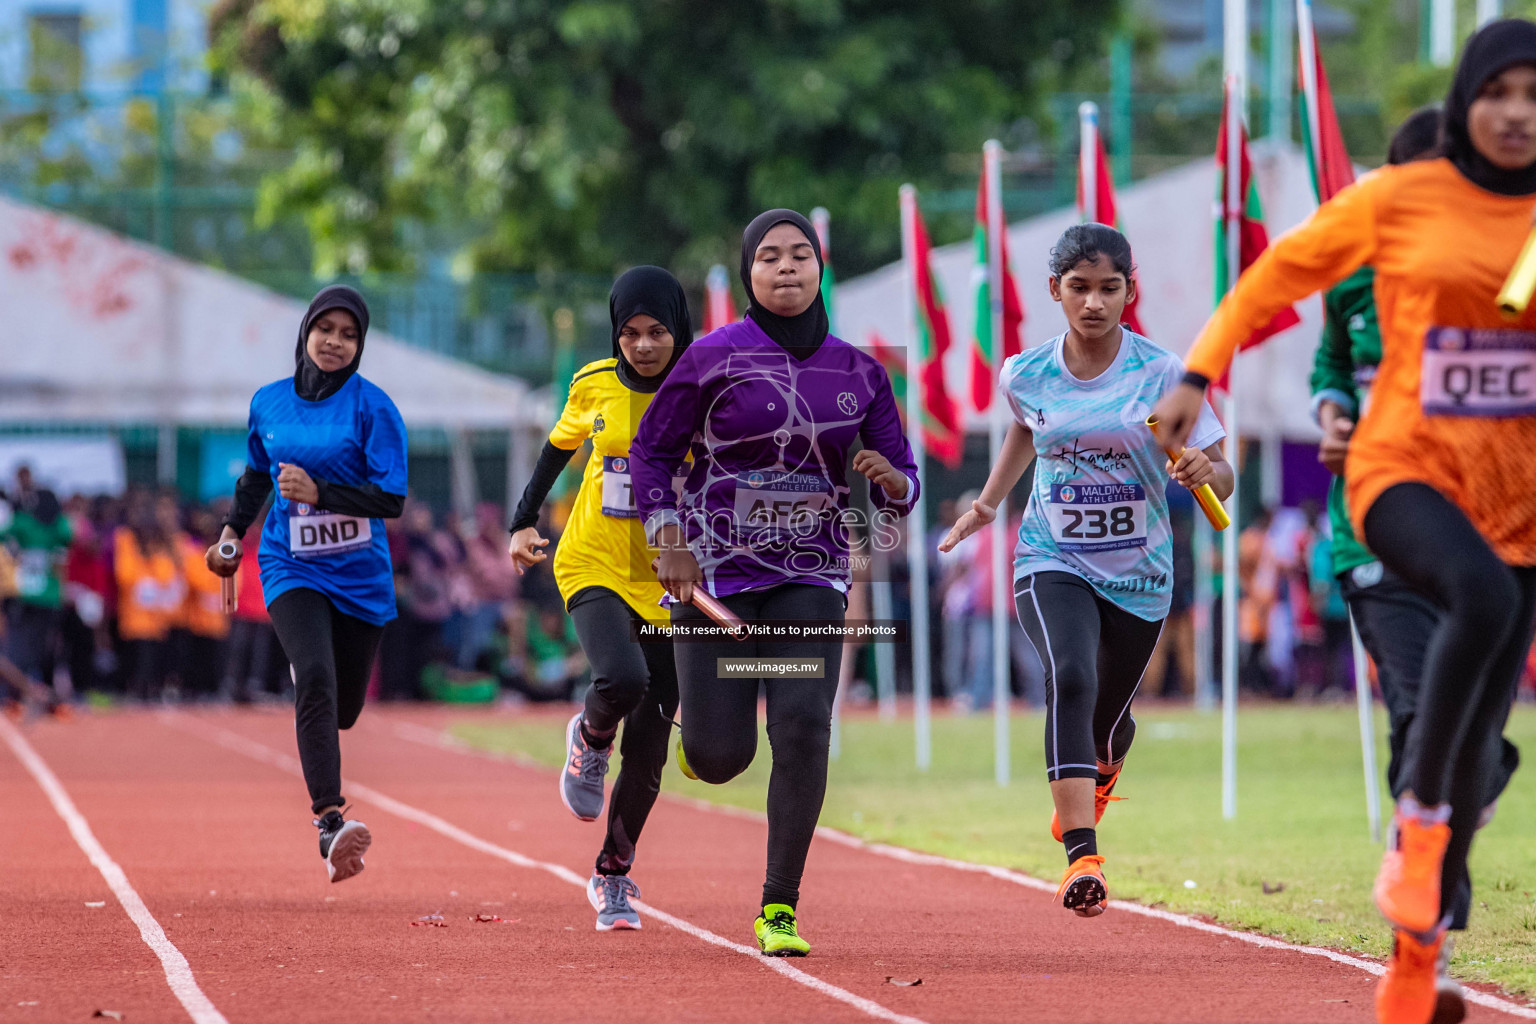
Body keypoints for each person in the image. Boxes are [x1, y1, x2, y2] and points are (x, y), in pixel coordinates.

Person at [1151, 22, 1536, 1023]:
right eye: (1500, 90)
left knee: (1473, 745)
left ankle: (1415, 964)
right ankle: (1415, 825)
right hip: (1400, 471)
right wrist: (1197, 372)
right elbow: (1279, 273)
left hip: (1521, 501)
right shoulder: (1406, 198)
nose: (1518, 112)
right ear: (1466, 100)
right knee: (1479, 606)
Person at [631, 209, 919, 956]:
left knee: (800, 726)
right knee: (721, 757)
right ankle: (698, 714)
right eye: (769, 257)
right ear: (750, 273)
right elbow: (650, 456)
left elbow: (905, 479)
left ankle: (779, 906)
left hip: (811, 572)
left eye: (799, 255)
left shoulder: (860, 372)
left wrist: (891, 482)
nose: (786, 268)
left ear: (820, 268)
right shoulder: (710, 357)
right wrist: (667, 538)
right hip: (715, 576)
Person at [943, 223, 1231, 918]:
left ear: (1130, 291)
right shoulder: (1027, 372)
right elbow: (1024, 424)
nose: (1094, 303)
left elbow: (1220, 462)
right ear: (1055, 292)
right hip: (1052, 556)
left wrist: (1205, 468)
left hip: (1140, 571)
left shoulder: (1163, 374)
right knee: (1069, 676)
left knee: (1109, 724)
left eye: (1109, 288)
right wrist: (987, 504)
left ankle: (1097, 765)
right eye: (1079, 288)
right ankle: (1083, 856)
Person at [1308, 105, 1519, 1021]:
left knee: (1461, 736)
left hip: (1488, 536)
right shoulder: (1355, 275)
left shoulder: (1505, 271)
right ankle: (1420, 952)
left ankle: (1423, 944)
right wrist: (1331, 414)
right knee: (1414, 714)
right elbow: (1328, 367)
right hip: (1380, 534)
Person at [507, 266, 693, 931]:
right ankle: (589, 734)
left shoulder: (706, 388)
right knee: (621, 678)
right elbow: (556, 452)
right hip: (593, 560)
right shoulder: (593, 383)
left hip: (671, 579)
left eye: (657, 332)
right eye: (631, 333)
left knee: (651, 749)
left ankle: (613, 873)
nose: (643, 346)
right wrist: (522, 521)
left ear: (678, 329)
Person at [207, 285, 408, 884]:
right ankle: (330, 821)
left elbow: (391, 499)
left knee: (342, 710)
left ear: (360, 345)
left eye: (349, 335)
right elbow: (254, 477)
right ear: (306, 331)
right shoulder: (269, 403)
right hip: (288, 561)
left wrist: (322, 494)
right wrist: (229, 534)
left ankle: (312, 670)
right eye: (327, 330)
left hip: (360, 577)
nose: (335, 343)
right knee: (315, 678)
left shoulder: (374, 409)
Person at [2, 469, 73, 712]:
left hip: (27, 594)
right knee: (45, 649)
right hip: (46, 596)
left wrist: (16, 550)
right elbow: (67, 537)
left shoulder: (25, 523)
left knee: (21, 647)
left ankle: (18, 697)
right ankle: (41, 697)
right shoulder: (58, 527)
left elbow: (5, 533)